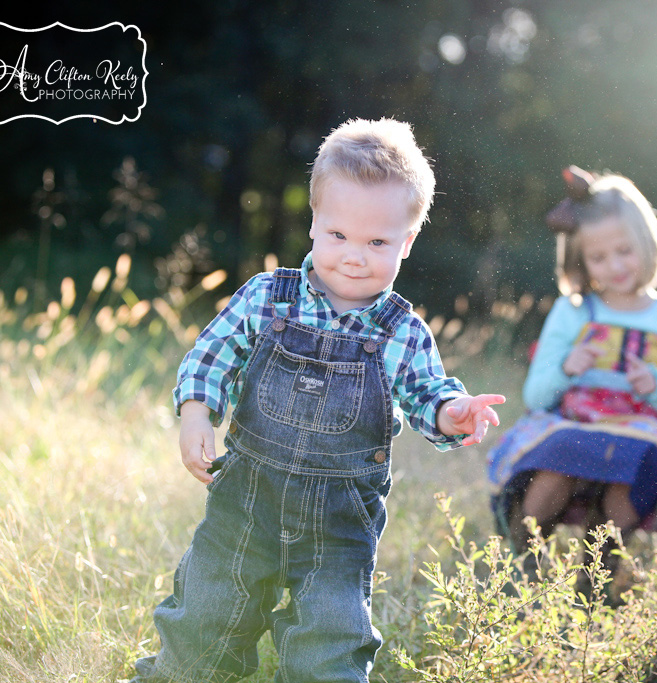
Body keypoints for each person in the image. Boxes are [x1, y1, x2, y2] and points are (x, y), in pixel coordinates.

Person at [132, 117, 505, 683]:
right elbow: (211, 356)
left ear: (407, 242)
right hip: (246, 499)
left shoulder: (401, 331)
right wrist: (195, 415)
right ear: (314, 225)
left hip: (340, 518)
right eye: (339, 236)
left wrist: (452, 412)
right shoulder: (267, 297)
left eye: (377, 242)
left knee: (328, 644)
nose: (354, 256)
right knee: (205, 619)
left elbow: (427, 393)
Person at [487, 167, 657, 583]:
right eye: (598, 257)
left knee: (635, 462)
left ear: (647, 242)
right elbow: (536, 395)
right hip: (575, 423)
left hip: (640, 430)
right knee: (558, 460)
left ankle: (596, 576)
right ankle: (522, 564)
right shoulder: (574, 311)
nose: (615, 265)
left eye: (624, 250)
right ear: (580, 260)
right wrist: (568, 369)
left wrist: (656, 387)